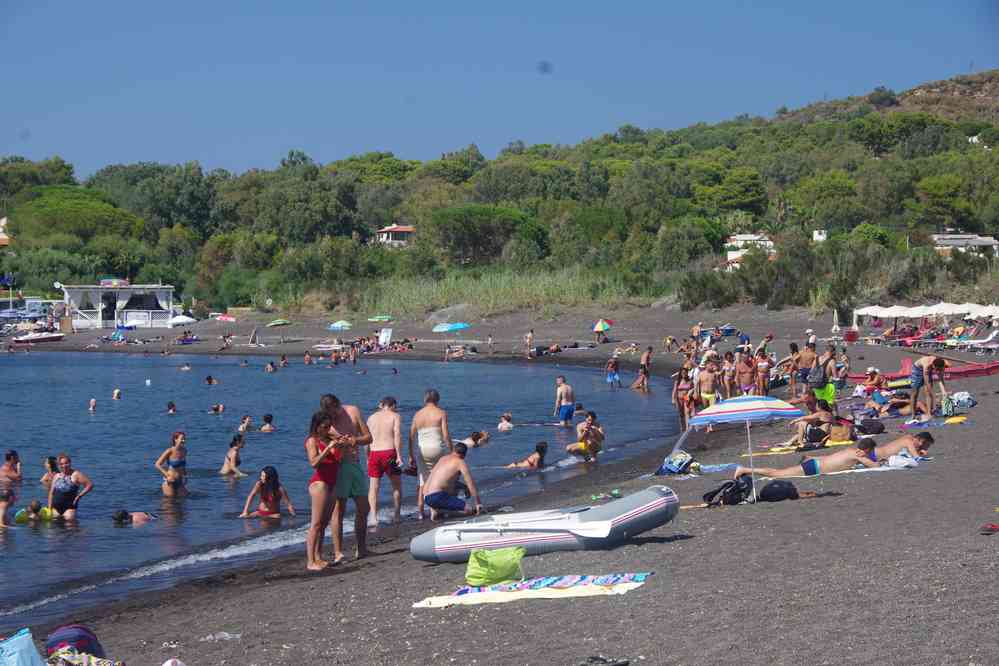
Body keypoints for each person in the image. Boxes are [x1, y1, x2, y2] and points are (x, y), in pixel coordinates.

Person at [323, 394, 373, 563]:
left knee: (363, 507)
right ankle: (338, 553)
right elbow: (319, 443)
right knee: (339, 510)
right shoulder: (325, 421)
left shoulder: (353, 411)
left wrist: (353, 440)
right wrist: (335, 442)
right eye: (330, 414)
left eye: (335, 412)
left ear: (339, 405)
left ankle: (362, 548)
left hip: (355, 463)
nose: (334, 416)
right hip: (339, 466)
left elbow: (368, 437)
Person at [732, 437, 880, 479]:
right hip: (814, 467)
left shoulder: (850, 450)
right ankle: (744, 469)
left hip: (815, 463)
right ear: (867, 450)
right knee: (776, 474)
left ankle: (745, 470)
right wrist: (872, 459)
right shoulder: (858, 455)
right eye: (870, 452)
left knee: (778, 472)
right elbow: (876, 467)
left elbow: (831, 457)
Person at [305, 411, 341, 570]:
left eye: (329, 426)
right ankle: (310, 561)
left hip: (333, 482)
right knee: (316, 523)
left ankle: (318, 557)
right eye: (325, 426)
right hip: (320, 483)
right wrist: (328, 448)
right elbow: (313, 462)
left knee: (324, 523)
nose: (327, 429)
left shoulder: (330, 439)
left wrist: (341, 442)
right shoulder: (312, 441)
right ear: (317, 426)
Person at [409, 389, 452, 520]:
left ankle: (420, 511)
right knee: (438, 479)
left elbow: (410, 437)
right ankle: (435, 509)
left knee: (422, 481)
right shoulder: (441, 413)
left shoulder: (417, 414)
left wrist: (410, 455)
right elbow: (445, 435)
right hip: (438, 449)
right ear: (437, 400)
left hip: (422, 450)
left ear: (425, 399)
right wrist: (451, 451)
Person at [366, 396, 404, 526]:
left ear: (382, 405)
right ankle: (397, 515)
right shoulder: (395, 416)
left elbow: (367, 439)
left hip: (374, 453)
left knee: (373, 488)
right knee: (396, 486)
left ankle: (373, 517)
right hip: (389, 452)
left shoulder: (371, 418)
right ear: (393, 406)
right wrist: (399, 455)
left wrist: (367, 456)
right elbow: (397, 434)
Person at [422, 442, 482, 520]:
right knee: (470, 510)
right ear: (464, 455)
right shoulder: (460, 462)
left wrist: (464, 487)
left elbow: (444, 480)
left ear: (453, 450)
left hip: (426, 497)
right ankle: (442, 512)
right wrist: (478, 503)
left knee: (454, 486)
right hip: (437, 496)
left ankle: (436, 509)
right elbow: (470, 483)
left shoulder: (442, 458)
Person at [47, 454, 93, 520]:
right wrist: (49, 508)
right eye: (61, 464)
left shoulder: (76, 474)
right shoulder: (57, 476)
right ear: (59, 465)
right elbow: (51, 493)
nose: (64, 466)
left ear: (70, 463)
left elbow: (90, 485)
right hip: (55, 508)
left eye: (66, 463)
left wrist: (79, 496)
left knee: (70, 528)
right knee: (55, 528)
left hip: (69, 508)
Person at [911, 356, 948, 423]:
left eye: (939, 370)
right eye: (936, 369)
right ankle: (913, 415)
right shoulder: (927, 365)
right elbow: (927, 383)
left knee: (927, 392)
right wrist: (934, 395)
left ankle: (929, 413)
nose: (937, 371)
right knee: (915, 392)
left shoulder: (942, 365)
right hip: (917, 369)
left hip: (930, 368)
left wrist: (944, 392)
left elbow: (940, 379)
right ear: (933, 366)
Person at [155, 432, 189, 497]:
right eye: (181, 439)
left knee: (184, 500)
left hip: (180, 480)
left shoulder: (184, 450)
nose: (183, 441)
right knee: (170, 503)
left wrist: (185, 476)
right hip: (170, 481)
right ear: (175, 439)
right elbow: (157, 464)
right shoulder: (169, 451)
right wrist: (167, 475)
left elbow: (183, 466)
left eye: (184, 439)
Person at [0, 451, 22, 527]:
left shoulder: (10, 467)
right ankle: (1, 524)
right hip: (4, 490)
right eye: (17, 457)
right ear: (12, 458)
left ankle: (5, 521)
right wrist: (19, 467)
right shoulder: (7, 468)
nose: (18, 459)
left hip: (7, 489)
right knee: (4, 506)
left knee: (5, 508)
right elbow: (18, 478)